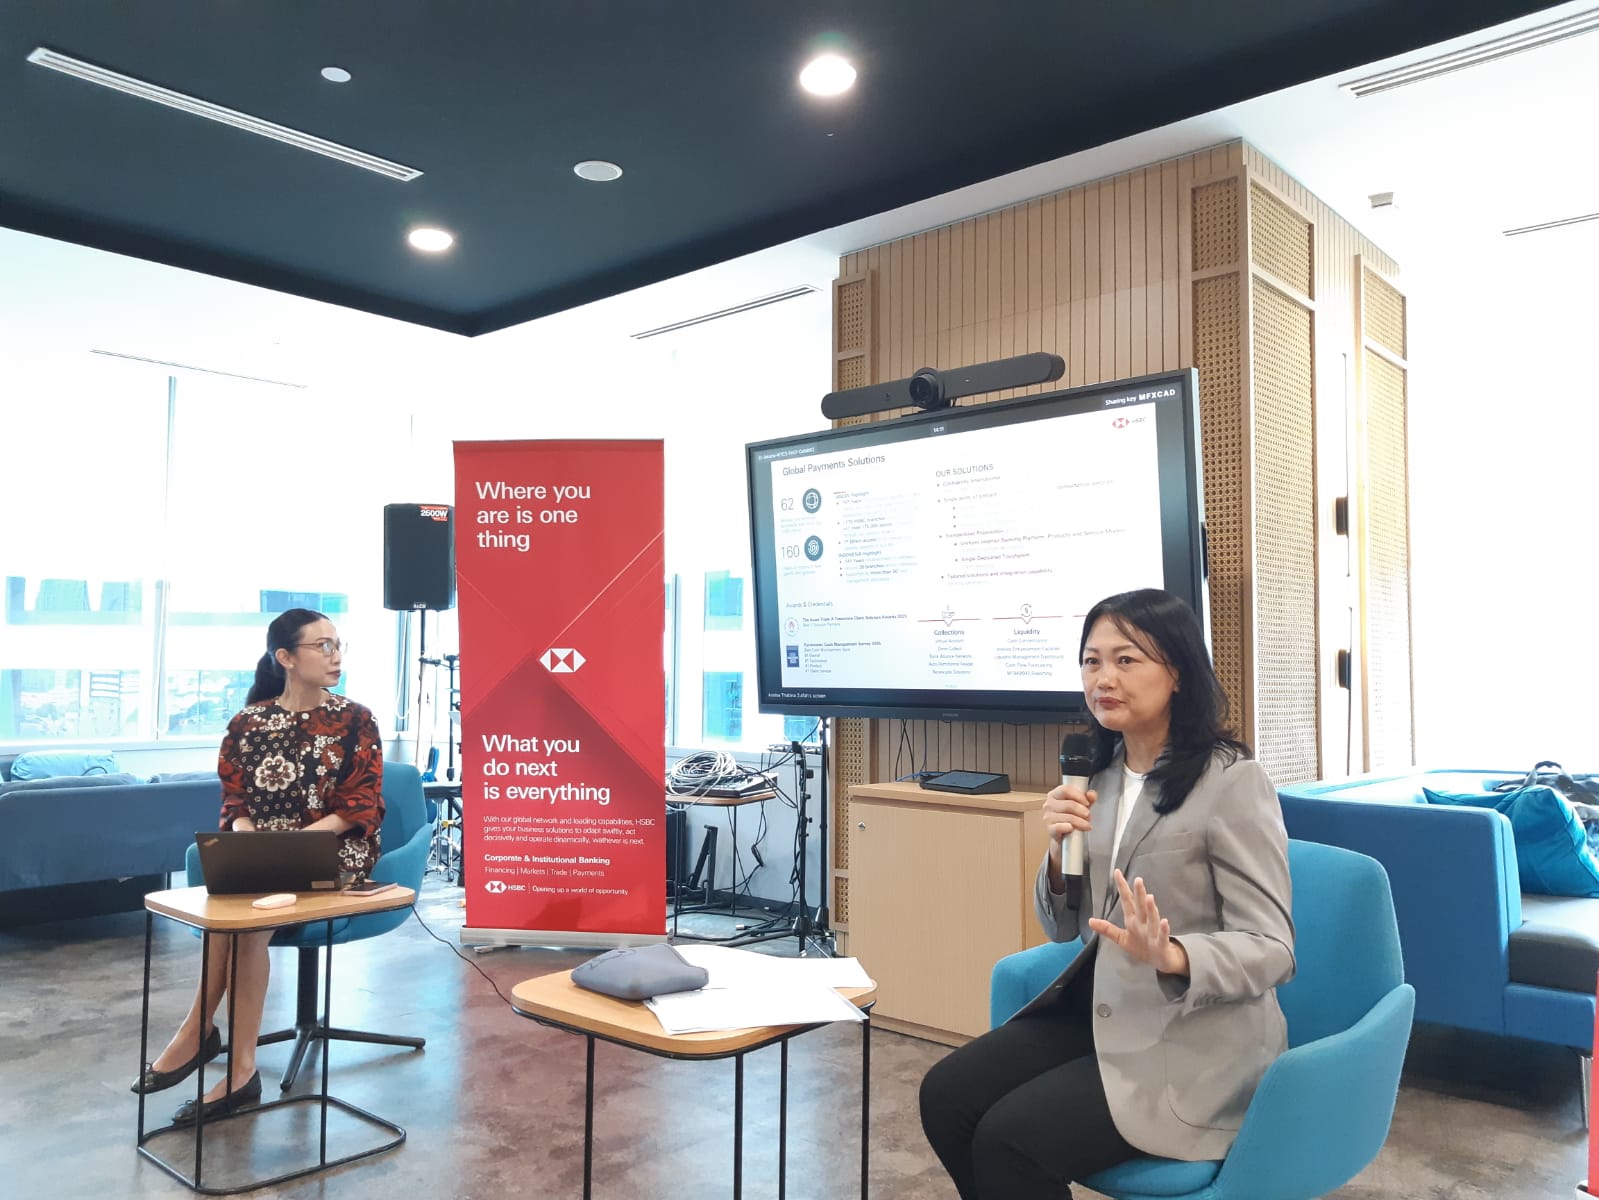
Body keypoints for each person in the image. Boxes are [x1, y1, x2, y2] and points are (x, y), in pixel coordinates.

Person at [919, 588, 1295, 1198]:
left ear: (1175, 671)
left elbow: (1272, 946)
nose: (1104, 678)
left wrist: (1174, 955)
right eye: (1092, 661)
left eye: (1126, 660)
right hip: (1105, 1010)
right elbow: (1062, 929)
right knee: (946, 1095)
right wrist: (1057, 851)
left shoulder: (1232, 782)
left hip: (1196, 1037)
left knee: (1008, 1137)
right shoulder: (1097, 776)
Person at [130, 608, 384, 1125]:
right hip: (265, 855)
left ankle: (210, 1042)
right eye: (322, 646)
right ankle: (233, 1064)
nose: (335, 656)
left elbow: (362, 803)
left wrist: (291, 846)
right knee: (229, 906)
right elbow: (235, 805)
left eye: (339, 645)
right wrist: (251, 844)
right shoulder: (247, 722)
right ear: (285, 658)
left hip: (334, 854)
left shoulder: (356, 718)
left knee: (248, 925)